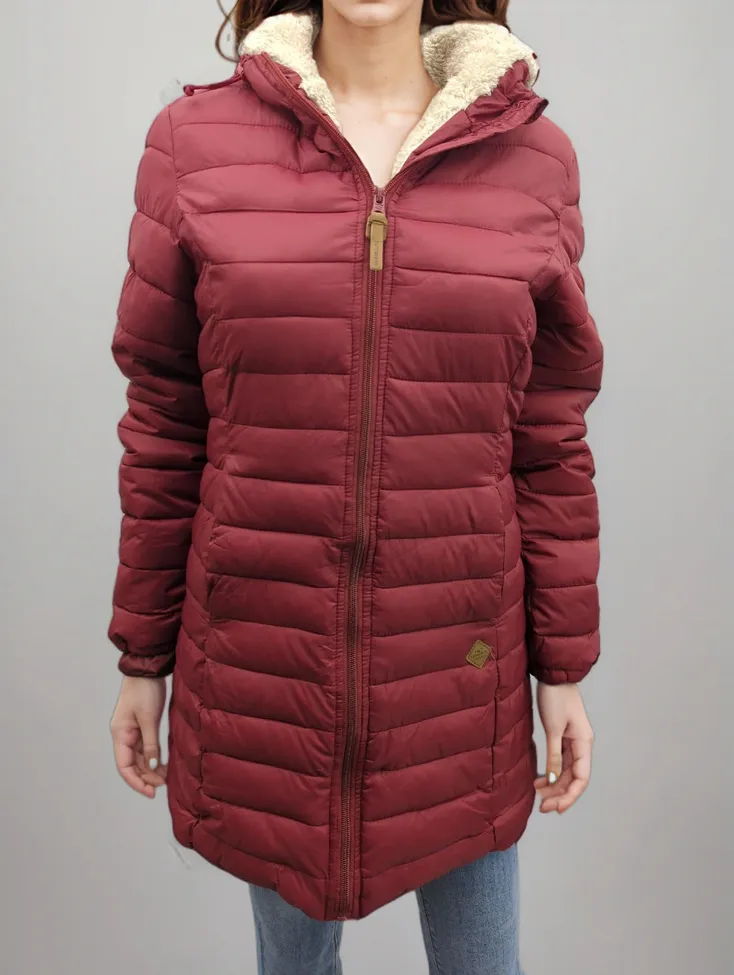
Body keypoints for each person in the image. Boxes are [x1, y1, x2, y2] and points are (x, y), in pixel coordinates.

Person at [107, 0, 603, 971]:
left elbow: (547, 434)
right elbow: (166, 419)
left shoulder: (532, 159)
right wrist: (142, 654)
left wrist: (562, 667)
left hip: (459, 664)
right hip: (264, 662)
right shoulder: (193, 145)